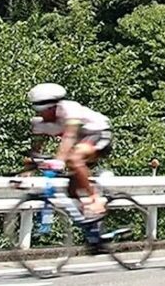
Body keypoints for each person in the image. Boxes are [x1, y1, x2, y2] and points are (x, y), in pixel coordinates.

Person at [27, 83, 112, 221]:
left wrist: (59, 160)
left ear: (54, 106)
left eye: (45, 111)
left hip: (98, 132)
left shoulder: (70, 109)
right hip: (80, 142)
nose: (41, 114)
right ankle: (93, 231)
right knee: (72, 192)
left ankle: (95, 200)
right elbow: (35, 152)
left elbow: (69, 136)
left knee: (73, 158)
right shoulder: (39, 123)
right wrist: (27, 169)